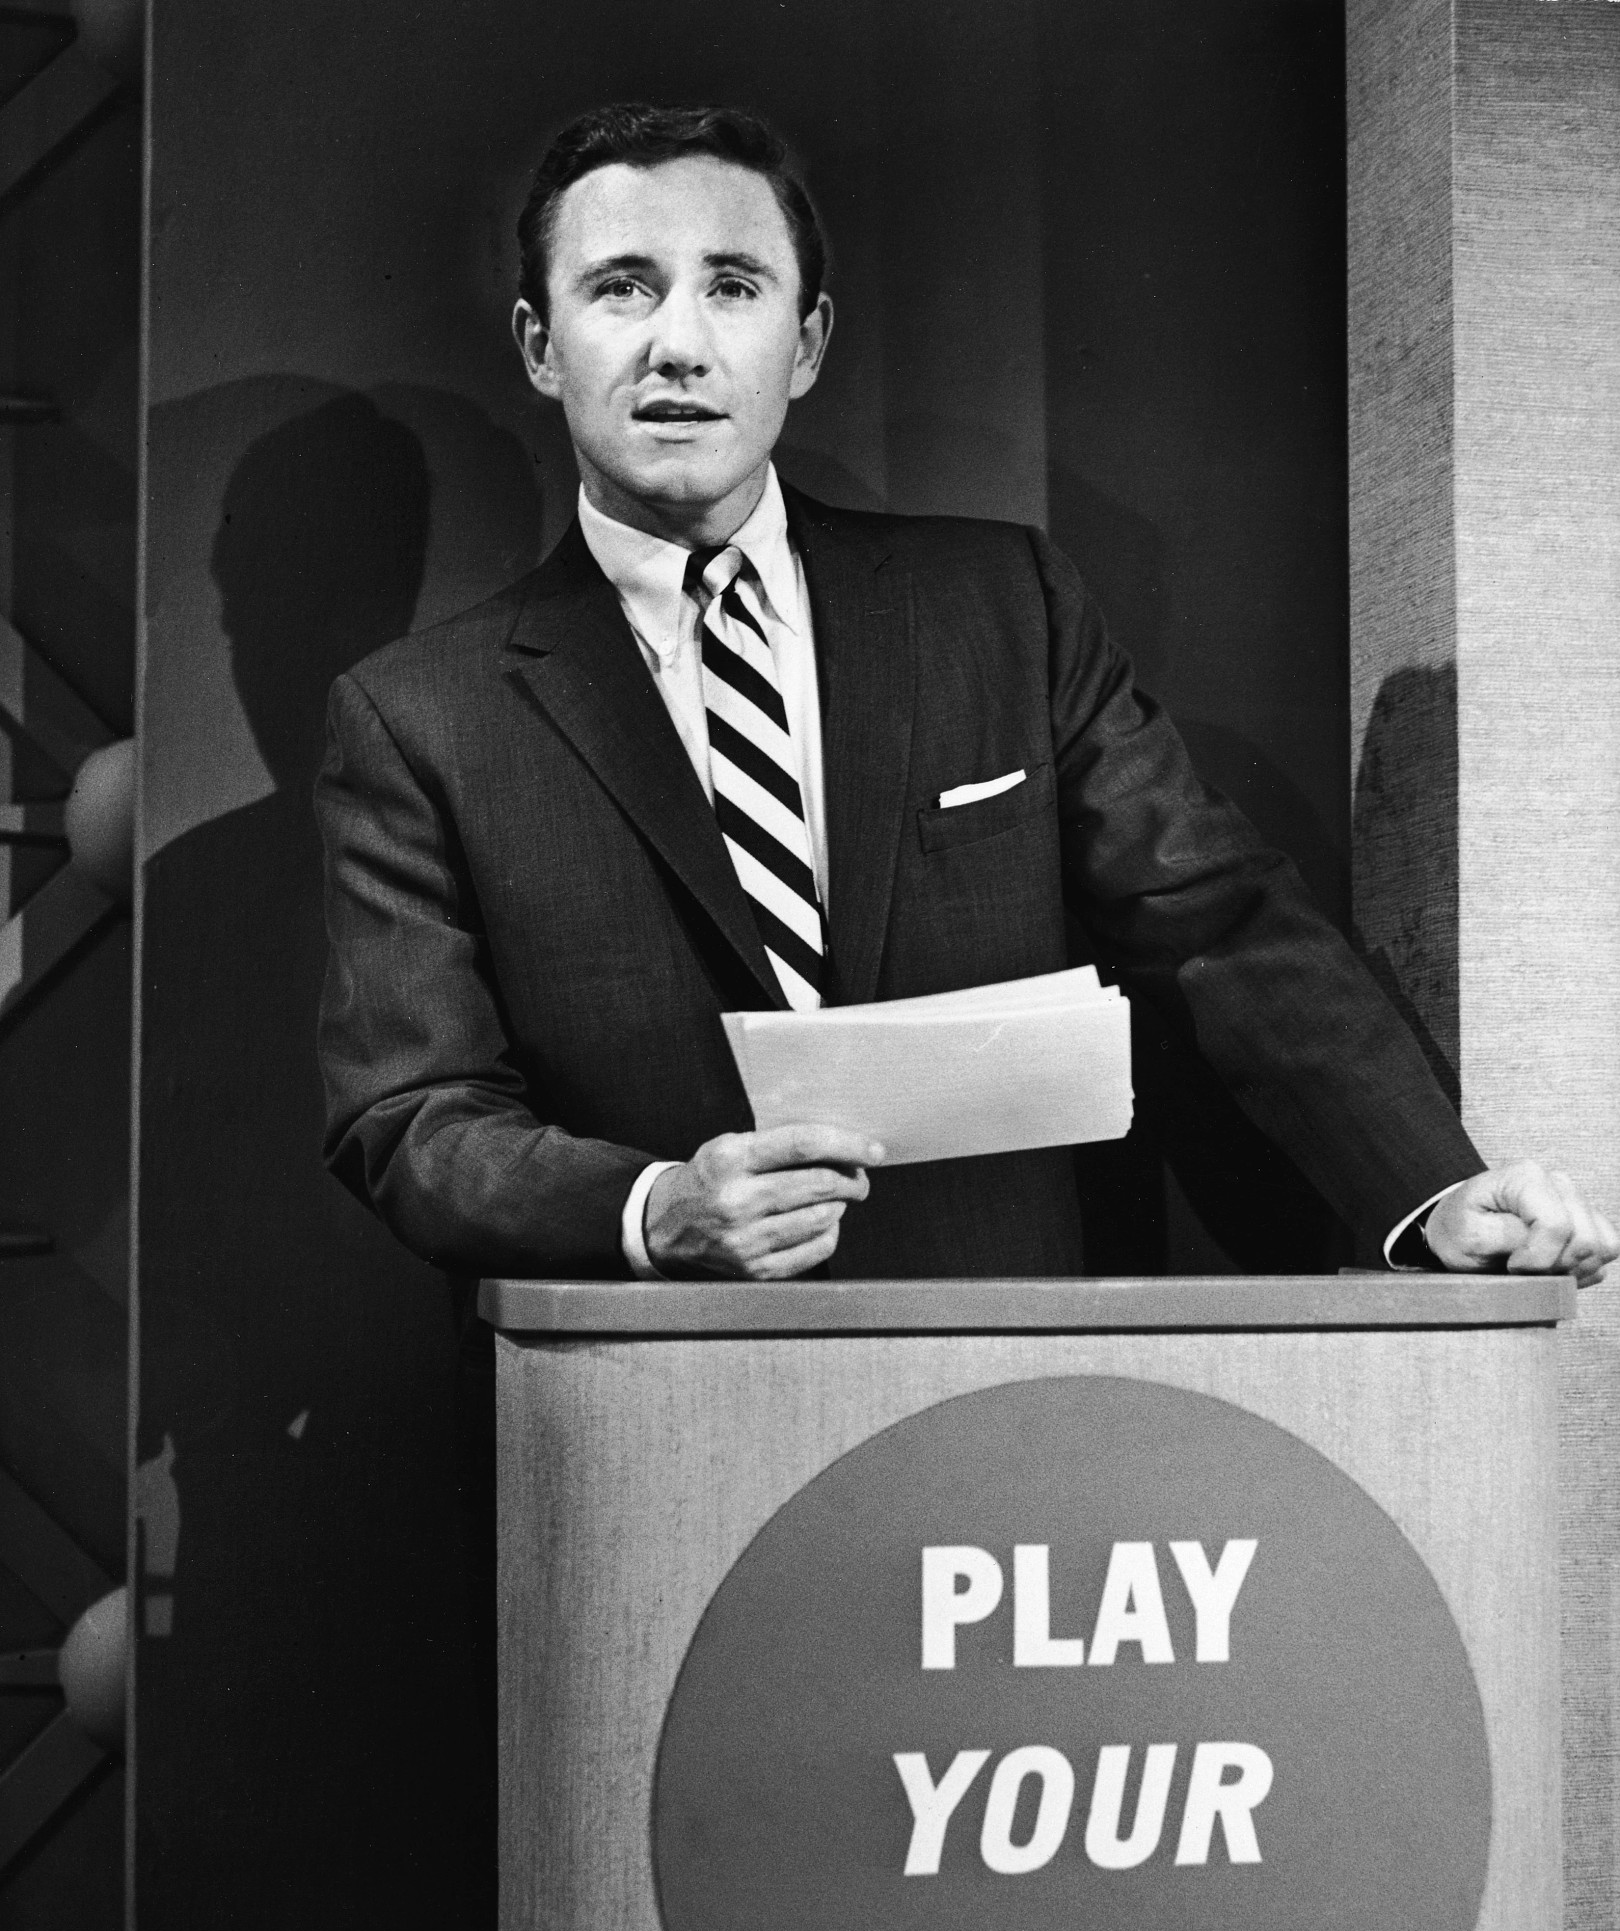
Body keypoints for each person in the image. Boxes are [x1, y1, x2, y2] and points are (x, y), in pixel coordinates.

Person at [315, 101, 1617, 1291]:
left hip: (1016, 1391)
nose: (679, 343)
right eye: (621, 288)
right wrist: (654, 1208)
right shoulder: (420, 720)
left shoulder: (1003, 605)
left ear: (807, 340)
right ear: (542, 346)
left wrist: (1434, 1189)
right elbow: (412, 1116)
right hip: (642, 1412)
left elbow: (1219, 926)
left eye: (732, 285)